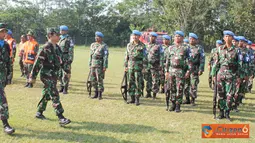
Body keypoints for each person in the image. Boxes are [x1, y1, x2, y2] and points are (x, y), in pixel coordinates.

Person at [30, 28, 71, 126]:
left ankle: (39, 112)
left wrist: (67, 71)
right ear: (50, 36)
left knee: (47, 93)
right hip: (46, 74)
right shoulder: (45, 47)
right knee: (54, 93)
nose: (59, 36)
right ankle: (61, 117)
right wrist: (33, 76)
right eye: (56, 35)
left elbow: (62, 61)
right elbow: (37, 63)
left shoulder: (57, 47)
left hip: (54, 74)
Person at [211, 31, 242, 120]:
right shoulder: (219, 49)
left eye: (229, 36)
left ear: (232, 38)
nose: (227, 38)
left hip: (231, 75)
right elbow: (216, 63)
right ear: (224, 38)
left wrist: (239, 76)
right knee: (221, 95)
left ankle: (227, 112)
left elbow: (239, 64)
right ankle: (221, 113)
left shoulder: (237, 50)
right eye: (226, 36)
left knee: (229, 95)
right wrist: (213, 74)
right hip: (220, 74)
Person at [165, 31, 189, 112]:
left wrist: (188, 71)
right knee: (172, 88)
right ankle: (173, 104)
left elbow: (189, 61)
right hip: (171, 70)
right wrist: (167, 71)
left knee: (180, 88)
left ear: (182, 38)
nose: (177, 38)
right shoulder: (170, 48)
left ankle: (178, 105)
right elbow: (167, 60)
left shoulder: (186, 48)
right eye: (176, 36)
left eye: (179, 36)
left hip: (180, 70)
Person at [124, 30, 147, 105]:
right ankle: (132, 98)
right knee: (130, 82)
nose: (135, 37)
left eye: (136, 35)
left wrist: (144, 67)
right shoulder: (129, 45)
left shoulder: (142, 46)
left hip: (138, 66)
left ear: (139, 36)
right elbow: (126, 56)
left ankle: (137, 98)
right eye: (133, 35)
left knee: (138, 82)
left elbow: (145, 57)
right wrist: (126, 66)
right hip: (130, 65)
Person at [0, 23, 15, 134]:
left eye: (5, 31)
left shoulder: (5, 44)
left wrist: (9, 74)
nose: (3, 33)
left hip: (2, 76)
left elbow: (8, 60)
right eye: (1, 31)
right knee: (2, 99)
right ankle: (6, 124)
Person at [183, 33, 205, 106]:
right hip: (186, 69)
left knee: (193, 85)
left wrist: (201, 69)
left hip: (195, 69)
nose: (191, 40)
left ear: (196, 40)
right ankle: (187, 99)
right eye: (190, 39)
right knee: (186, 84)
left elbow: (202, 59)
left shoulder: (199, 48)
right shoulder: (185, 47)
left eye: (193, 39)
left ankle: (193, 100)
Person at [89, 31, 109, 100]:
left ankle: (100, 93)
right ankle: (96, 92)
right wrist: (90, 64)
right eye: (96, 36)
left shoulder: (104, 46)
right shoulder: (92, 45)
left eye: (98, 37)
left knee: (99, 79)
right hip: (93, 63)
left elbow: (105, 56)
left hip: (99, 64)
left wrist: (105, 66)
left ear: (101, 38)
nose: (96, 38)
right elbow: (91, 55)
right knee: (93, 79)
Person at [144, 32, 164, 99]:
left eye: (153, 36)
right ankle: (148, 93)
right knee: (148, 80)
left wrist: (161, 65)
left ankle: (154, 94)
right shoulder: (146, 45)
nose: (152, 37)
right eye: (150, 36)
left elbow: (161, 56)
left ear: (155, 38)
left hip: (155, 66)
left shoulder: (158, 46)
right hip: (148, 66)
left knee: (155, 80)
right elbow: (144, 55)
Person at [58, 25, 74, 94]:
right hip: (59, 57)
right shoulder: (59, 38)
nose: (61, 31)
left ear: (66, 31)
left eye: (62, 30)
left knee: (66, 73)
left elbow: (71, 49)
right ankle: (61, 86)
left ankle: (65, 88)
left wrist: (70, 58)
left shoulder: (69, 39)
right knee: (59, 73)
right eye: (60, 30)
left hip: (66, 57)